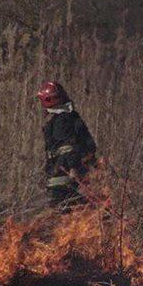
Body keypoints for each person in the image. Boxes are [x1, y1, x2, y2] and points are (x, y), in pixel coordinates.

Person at [36, 81, 97, 211]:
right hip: (70, 172)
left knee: (64, 210)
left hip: (64, 174)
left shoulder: (62, 121)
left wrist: (72, 167)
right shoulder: (69, 117)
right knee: (77, 209)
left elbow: (68, 147)